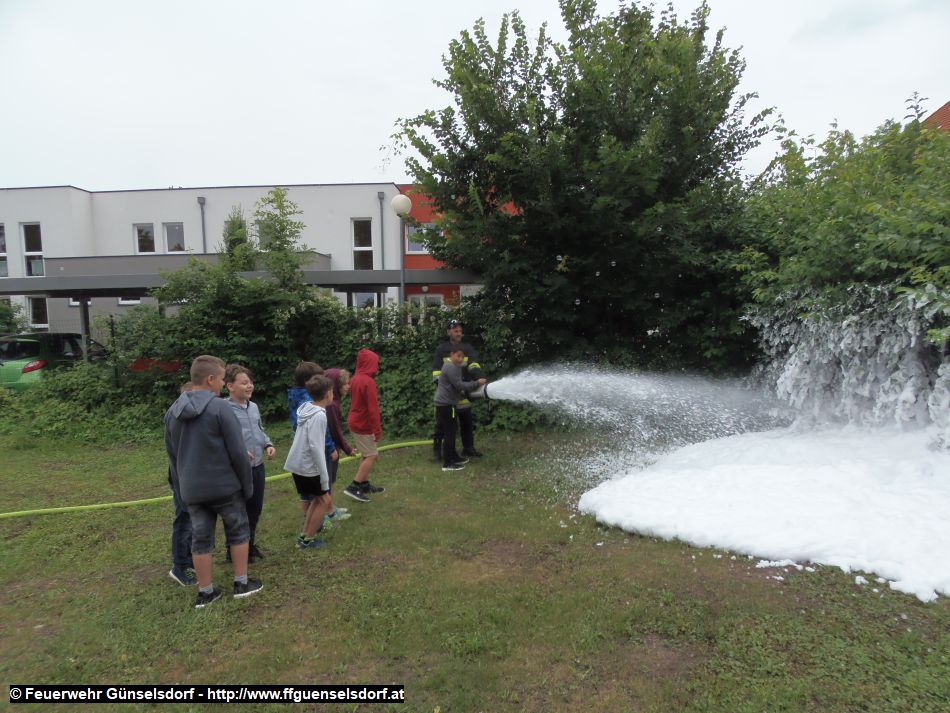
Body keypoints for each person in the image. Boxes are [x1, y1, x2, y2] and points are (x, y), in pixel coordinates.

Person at [165, 355, 262, 608]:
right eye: (221, 379)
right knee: (239, 532)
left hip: (192, 491)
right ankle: (241, 583)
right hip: (225, 487)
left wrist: (181, 489)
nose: (222, 383)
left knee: (200, 539)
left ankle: (205, 592)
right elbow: (238, 452)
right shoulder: (221, 408)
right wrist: (247, 485)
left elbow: (173, 456)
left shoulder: (172, 412)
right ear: (210, 379)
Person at [224, 364, 275, 563]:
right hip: (236, 470)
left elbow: (259, 430)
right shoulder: (223, 409)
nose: (250, 386)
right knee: (237, 512)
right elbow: (219, 438)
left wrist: (268, 444)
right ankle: (233, 550)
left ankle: (249, 545)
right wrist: (237, 452)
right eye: (244, 383)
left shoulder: (253, 407)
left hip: (257, 468)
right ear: (230, 386)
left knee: (254, 509)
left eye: (250, 382)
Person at [284, 374, 335, 549]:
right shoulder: (319, 415)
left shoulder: (306, 408)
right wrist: (324, 475)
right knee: (325, 501)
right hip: (308, 467)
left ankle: (304, 536)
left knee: (317, 500)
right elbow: (315, 446)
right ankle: (308, 540)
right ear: (327, 394)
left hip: (298, 465)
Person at [288, 361, 338, 522]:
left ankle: (315, 517)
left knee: (307, 492)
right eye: (318, 378)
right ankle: (321, 517)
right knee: (320, 489)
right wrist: (331, 447)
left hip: (300, 451)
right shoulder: (313, 405)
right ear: (307, 382)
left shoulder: (295, 395)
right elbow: (319, 435)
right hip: (312, 453)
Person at [430, 319, 485, 461]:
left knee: (467, 423)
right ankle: (438, 452)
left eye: (460, 331)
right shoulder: (441, 350)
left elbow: (473, 365)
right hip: (448, 396)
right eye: (456, 331)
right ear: (449, 332)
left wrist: (479, 378)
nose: (459, 333)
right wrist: (448, 389)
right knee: (442, 425)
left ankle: (468, 448)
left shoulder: (467, 348)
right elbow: (436, 373)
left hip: (464, 392)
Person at [435, 347, 487, 471]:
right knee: (449, 433)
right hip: (446, 405)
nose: (460, 359)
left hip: (446, 403)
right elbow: (460, 385)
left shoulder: (452, 366)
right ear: (451, 354)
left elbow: (456, 387)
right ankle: (448, 463)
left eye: (462, 357)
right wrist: (477, 383)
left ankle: (453, 457)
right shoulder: (451, 367)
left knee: (452, 431)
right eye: (458, 356)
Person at [343, 348, 384, 502]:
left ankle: (364, 485)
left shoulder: (355, 379)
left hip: (355, 421)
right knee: (372, 455)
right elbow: (373, 410)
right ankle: (354, 487)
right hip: (363, 423)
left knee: (366, 454)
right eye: (375, 364)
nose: (377, 367)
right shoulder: (368, 382)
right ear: (369, 364)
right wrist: (377, 430)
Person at [167, 382, 195, 586]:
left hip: (186, 475)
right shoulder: (177, 415)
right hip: (182, 477)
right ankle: (180, 566)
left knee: (192, 519)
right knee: (184, 519)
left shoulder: (182, 413)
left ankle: (190, 558)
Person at [323, 367, 355, 524]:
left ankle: (331, 508)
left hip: (332, 448)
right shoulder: (331, 405)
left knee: (331, 480)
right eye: (345, 384)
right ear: (335, 385)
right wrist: (347, 448)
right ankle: (329, 513)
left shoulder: (334, 401)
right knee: (327, 482)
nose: (348, 386)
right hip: (329, 450)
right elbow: (335, 430)